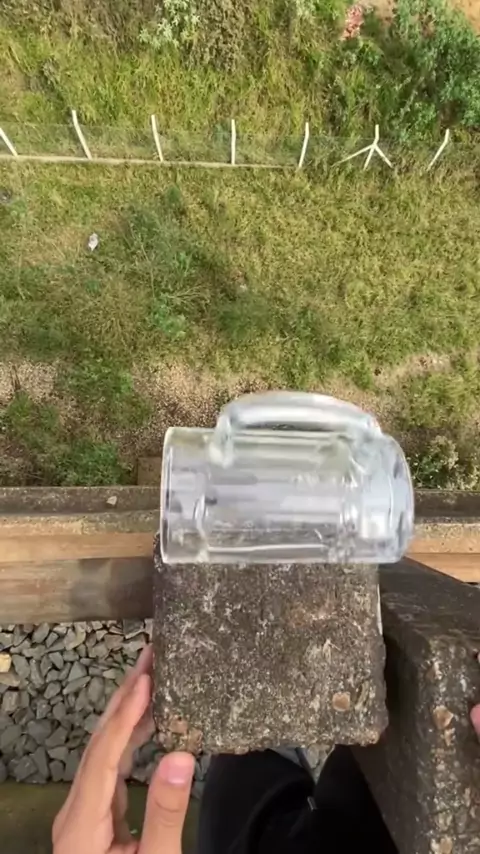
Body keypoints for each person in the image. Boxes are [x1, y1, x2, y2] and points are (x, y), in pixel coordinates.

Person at [52, 644, 480, 854]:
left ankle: (262, 735)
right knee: (258, 750)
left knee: (245, 755)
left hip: (259, 836)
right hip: (355, 814)